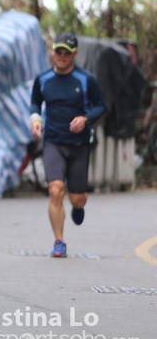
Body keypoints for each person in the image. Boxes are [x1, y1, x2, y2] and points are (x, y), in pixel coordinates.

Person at [30, 32, 106, 257]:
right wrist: (35, 119)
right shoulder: (43, 79)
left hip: (79, 145)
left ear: (75, 54)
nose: (61, 56)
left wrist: (86, 119)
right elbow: (35, 102)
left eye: (67, 52)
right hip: (53, 142)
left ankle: (78, 206)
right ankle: (59, 241)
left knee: (77, 198)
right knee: (55, 190)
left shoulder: (85, 79)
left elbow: (101, 105)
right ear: (52, 51)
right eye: (58, 51)